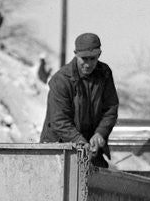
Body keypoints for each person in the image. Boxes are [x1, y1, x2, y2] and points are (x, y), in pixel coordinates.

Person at [40, 32, 119, 168]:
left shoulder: (104, 73)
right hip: (58, 150)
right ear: (76, 54)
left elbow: (110, 109)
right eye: (84, 59)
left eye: (92, 59)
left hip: (89, 150)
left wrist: (100, 133)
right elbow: (59, 121)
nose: (88, 64)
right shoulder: (61, 80)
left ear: (99, 55)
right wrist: (80, 142)